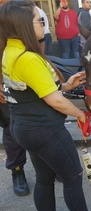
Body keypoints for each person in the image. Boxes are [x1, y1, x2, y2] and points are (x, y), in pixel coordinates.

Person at [0, 0, 88, 211]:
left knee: (44, 179)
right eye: (39, 20)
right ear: (25, 26)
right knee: (73, 177)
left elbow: (34, 91)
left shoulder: (10, 52)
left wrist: (66, 85)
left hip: (24, 127)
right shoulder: (28, 59)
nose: (43, 24)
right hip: (44, 129)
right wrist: (80, 114)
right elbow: (54, 100)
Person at [0, 0, 30, 197]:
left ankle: (49, 167)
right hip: (5, 84)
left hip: (31, 77)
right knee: (12, 131)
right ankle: (17, 172)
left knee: (40, 126)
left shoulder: (27, 9)